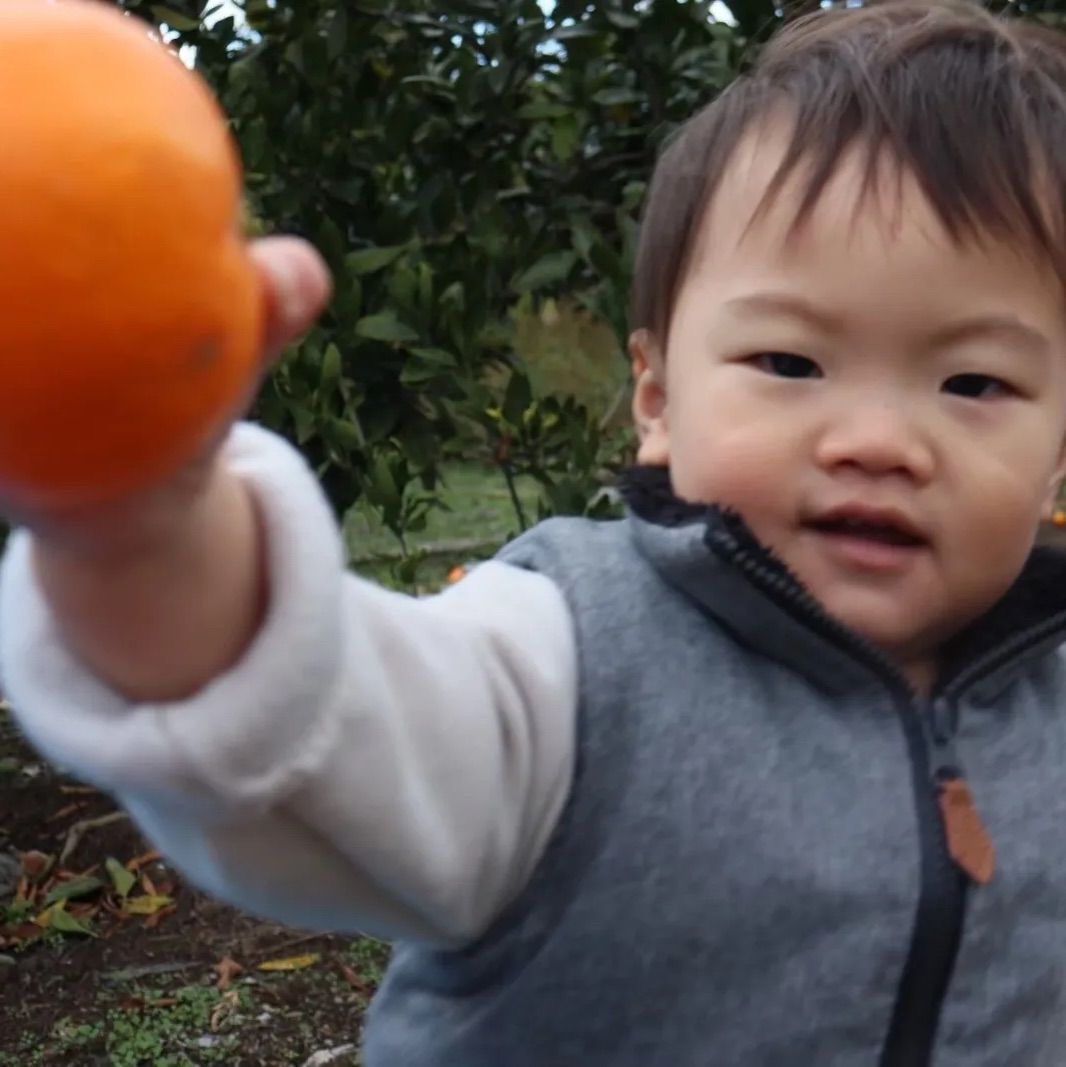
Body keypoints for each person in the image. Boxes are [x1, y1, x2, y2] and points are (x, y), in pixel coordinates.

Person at [6, 0, 1066, 1062]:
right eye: (789, 363)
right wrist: (141, 520)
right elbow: (309, 716)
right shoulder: (565, 665)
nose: (879, 440)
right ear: (656, 398)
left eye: (972, 381)